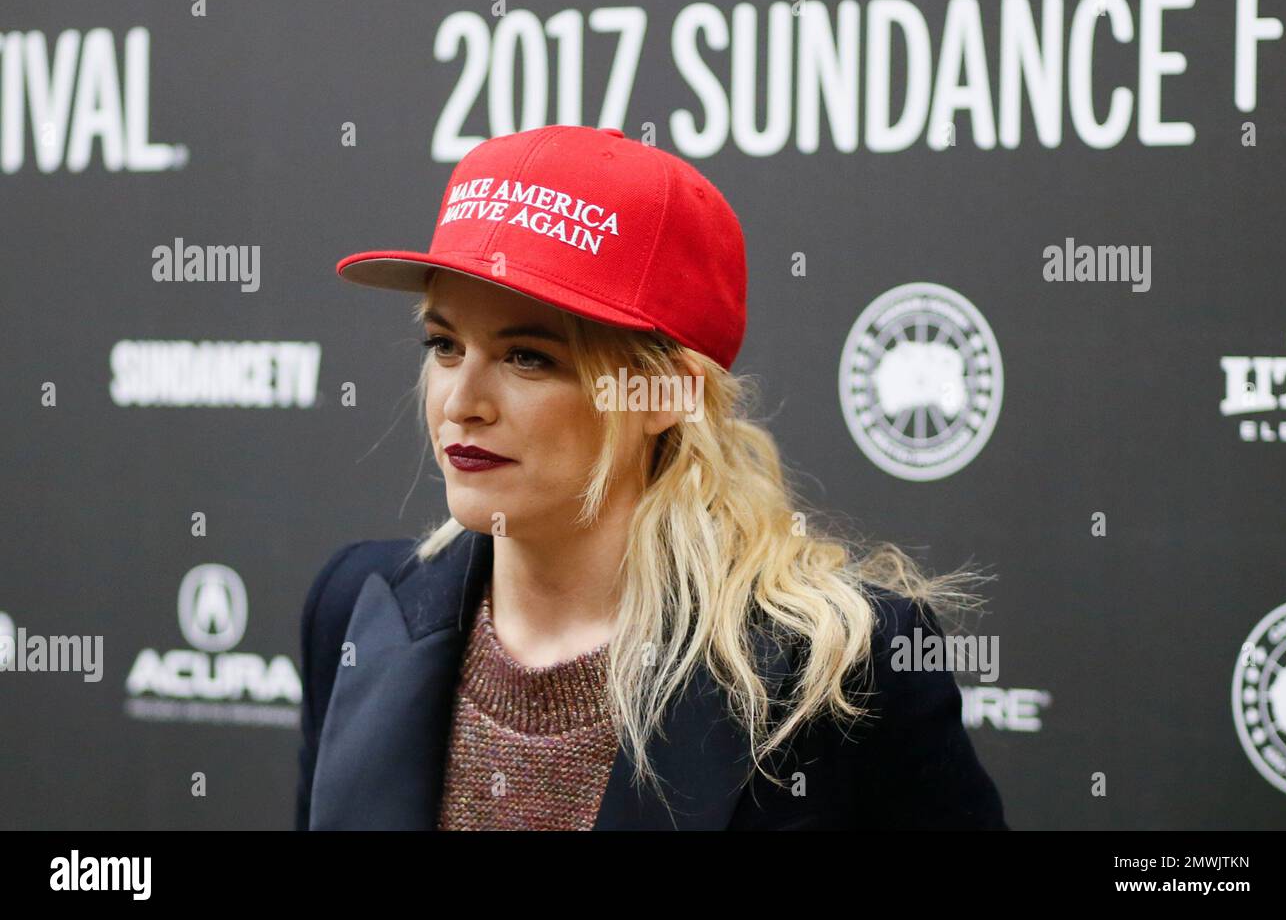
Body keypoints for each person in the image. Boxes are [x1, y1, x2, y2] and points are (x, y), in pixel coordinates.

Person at [297, 124, 1008, 830]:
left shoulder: (839, 667)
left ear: (666, 394)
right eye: (444, 344)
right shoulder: (359, 609)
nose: (460, 402)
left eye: (528, 358)